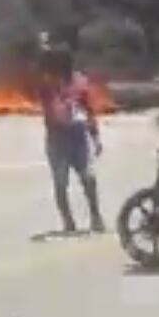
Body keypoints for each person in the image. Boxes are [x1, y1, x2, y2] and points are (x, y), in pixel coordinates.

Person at [38, 45, 104, 234]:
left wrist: (96, 137)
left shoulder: (80, 82)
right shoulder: (46, 85)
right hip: (57, 139)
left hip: (78, 138)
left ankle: (95, 215)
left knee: (89, 178)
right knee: (60, 182)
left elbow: (89, 110)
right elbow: (51, 107)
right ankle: (68, 220)